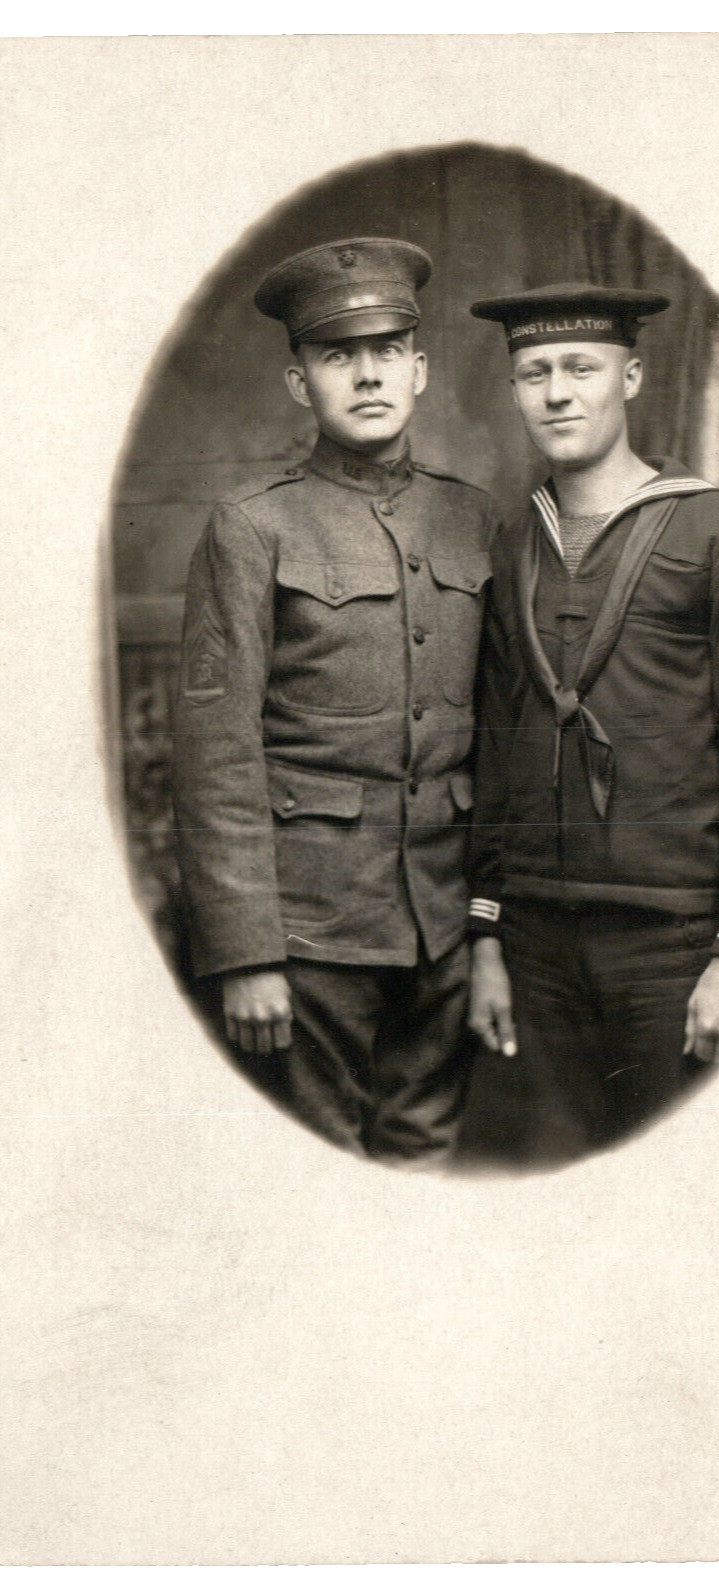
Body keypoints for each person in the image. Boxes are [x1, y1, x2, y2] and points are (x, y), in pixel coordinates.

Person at [461, 283, 719, 1166]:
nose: (557, 392)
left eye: (581, 367)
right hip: (536, 944)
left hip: (676, 942)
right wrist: (488, 938)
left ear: (633, 375)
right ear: (513, 390)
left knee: (685, 1194)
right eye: (533, 372)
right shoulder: (510, 545)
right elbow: (498, 746)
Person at [171, 237, 500, 1164]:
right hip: (310, 932)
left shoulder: (473, 517)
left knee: (424, 1162)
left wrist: (487, 928)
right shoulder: (253, 527)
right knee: (316, 1179)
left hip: (441, 923)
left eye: (387, 349)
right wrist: (246, 953)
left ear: (420, 368)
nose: (367, 374)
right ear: (298, 383)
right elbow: (215, 752)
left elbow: (499, 737)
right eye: (337, 355)